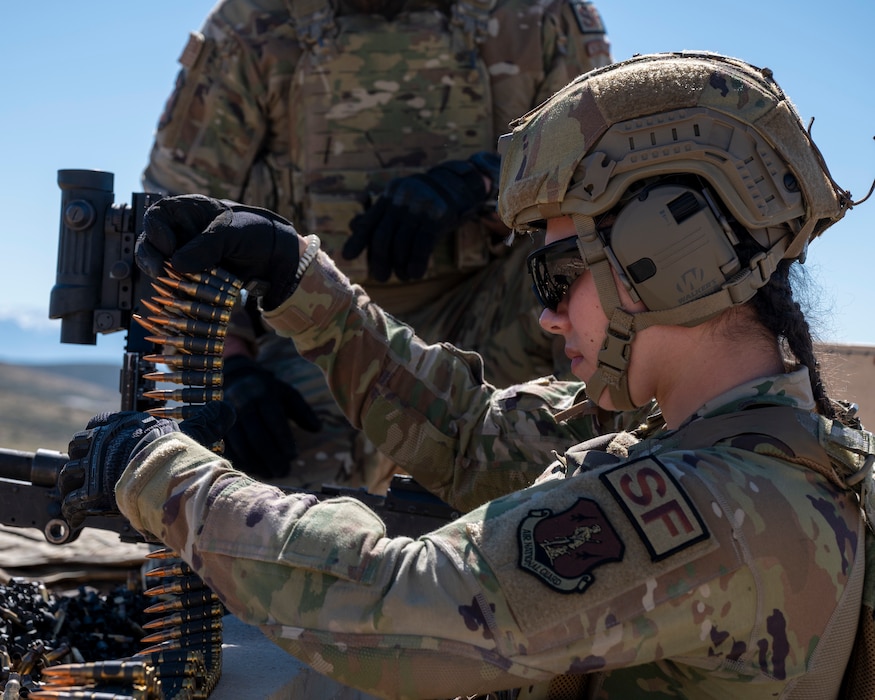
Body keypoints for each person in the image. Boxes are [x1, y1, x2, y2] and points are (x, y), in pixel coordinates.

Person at [63, 52, 875, 698]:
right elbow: (470, 433)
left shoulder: (721, 509)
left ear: (666, 256)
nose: (549, 318)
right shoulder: (734, 436)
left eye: (558, 277)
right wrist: (295, 278)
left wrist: (156, 470)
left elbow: (384, 609)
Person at [140, 0, 615, 488]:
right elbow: (172, 224)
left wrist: (481, 184)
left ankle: (602, 480)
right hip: (305, 331)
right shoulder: (253, 25)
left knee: (591, 268)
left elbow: (605, 171)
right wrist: (229, 368)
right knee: (279, 511)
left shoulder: (540, 16)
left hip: (491, 312)